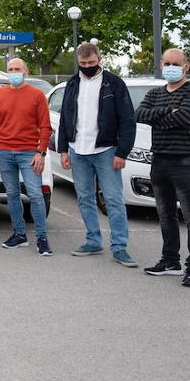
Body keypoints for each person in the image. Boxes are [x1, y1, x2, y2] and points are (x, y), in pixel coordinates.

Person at [55, 42, 138, 267]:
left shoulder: (114, 84)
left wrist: (123, 152)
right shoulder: (72, 83)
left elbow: (128, 121)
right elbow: (64, 119)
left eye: (91, 63)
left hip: (106, 150)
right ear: (78, 62)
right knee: (84, 198)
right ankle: (93, 240)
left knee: (113, 199)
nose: (87, 66)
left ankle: (120, 247)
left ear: (99, 59)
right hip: (77, 149)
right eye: (83, 64)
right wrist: (63, 149)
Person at [136, 48, 190, 288]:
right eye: (166, 63)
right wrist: (168, 111)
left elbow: (183, 118)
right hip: (160, 161)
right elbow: (140, 114)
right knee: (165, 215)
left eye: (175, 63)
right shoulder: (156, 93)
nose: (170, 67)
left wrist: (160, 117)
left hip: (186, 162)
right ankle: (170, 261)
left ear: (186, 66)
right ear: (160, 64)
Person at [0, 58, 53, 256]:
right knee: (12, 194)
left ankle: (42, 238)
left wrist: (41, 152)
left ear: (26, 71)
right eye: (10, 69)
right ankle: (19, 234)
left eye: (17, 69)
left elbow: (45, 126)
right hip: (4, 152)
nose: (13, 72)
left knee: (35, 195)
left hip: (29, 154)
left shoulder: (37, 95)